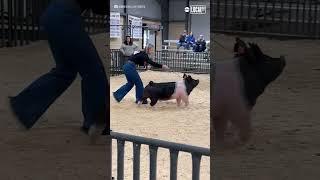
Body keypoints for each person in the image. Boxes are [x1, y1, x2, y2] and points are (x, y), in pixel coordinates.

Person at [7, 0, 108, 141]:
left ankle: (23, 106)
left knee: (65, 70)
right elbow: (100, 6)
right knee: (93, 70)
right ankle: (97, 120)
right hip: (66, 16)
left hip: (52, 14)